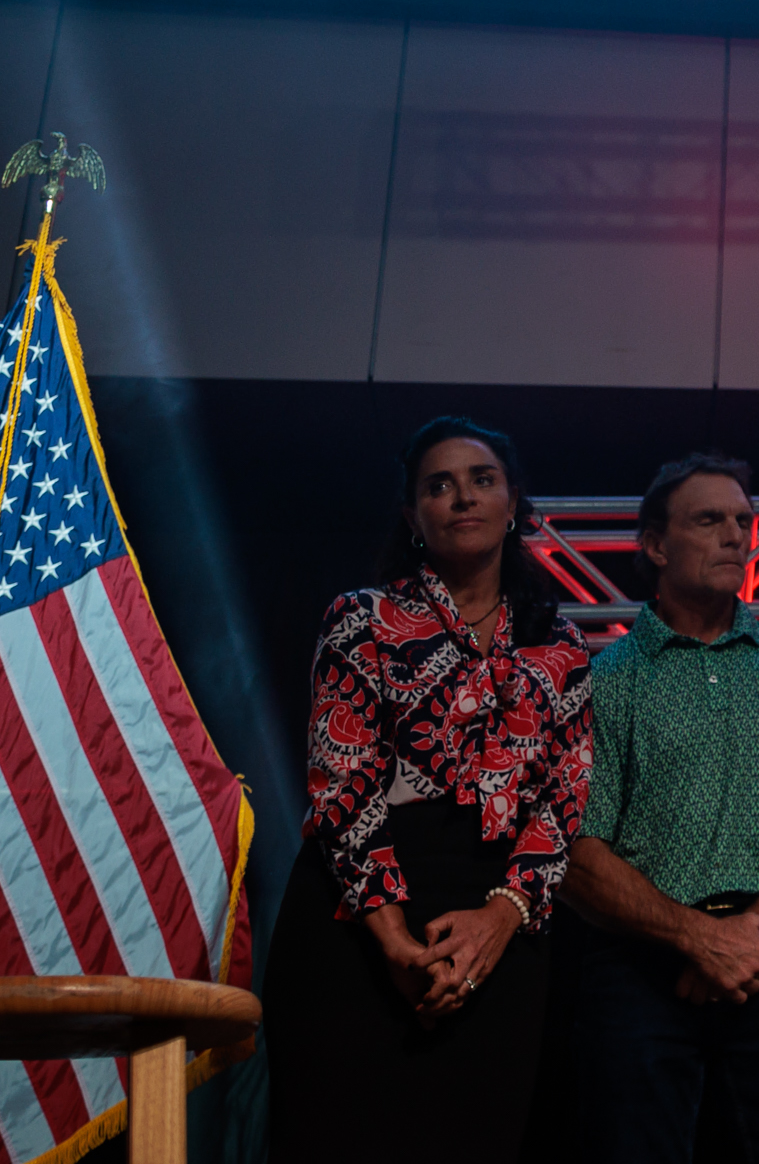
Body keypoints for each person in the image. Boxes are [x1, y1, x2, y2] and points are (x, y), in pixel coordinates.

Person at [262, 418, 594, 1164]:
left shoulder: (561, 643)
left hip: (502, 923)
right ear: (413, 517)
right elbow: (342, 778)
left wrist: (497, 924)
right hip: (357, 920)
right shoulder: (362, 617)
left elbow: (562, 801)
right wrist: (398, 946)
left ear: (514, 503)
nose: (461, 497)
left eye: (481, 479)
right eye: (437, 485)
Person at [561, 453, 759, 1164]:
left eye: (743, 521)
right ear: (657, 545)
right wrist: (693, 936)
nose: (736, 535)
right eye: (709, 520)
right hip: (642, 967)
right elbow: (578, 848)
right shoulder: (603, 679)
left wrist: (746, 941)